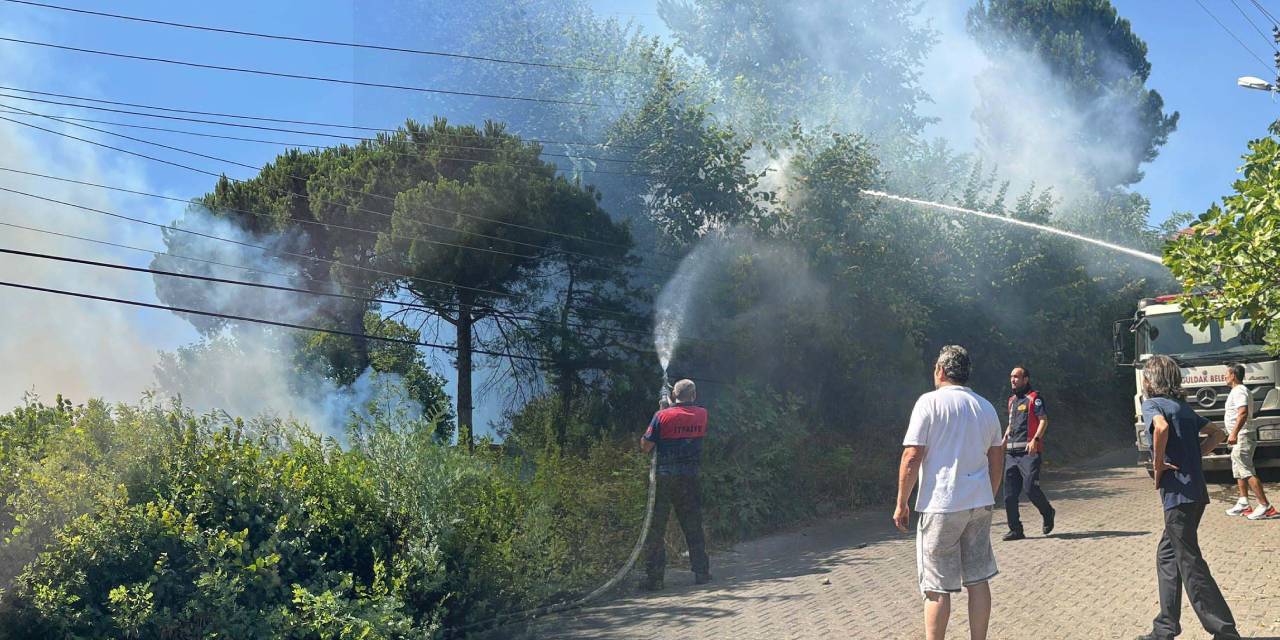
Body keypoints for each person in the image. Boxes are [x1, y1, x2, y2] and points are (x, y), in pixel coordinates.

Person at [894, 345, 1004, 640]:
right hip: (979, 503)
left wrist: (902, 503)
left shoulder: (928, 403)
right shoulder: (986, 407)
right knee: (978, 579)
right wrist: (989, 494)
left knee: (936, 586)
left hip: (941, 504)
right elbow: (997, 457)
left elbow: (912, 455)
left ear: (940, 370)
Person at [1135, 355, 1241, 640]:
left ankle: (1225, 631)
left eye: (1146, 376)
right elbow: (1217, 434)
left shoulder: (1152, 404)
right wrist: (1194, 455)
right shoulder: (1183, 407)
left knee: (1190, 562)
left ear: (1152, 380)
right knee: (1168, 555)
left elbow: (1160, 428)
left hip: (1178, 495)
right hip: (1195, 494)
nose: (1144, 382)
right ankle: (1165, 627)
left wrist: (1158, 464)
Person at [639, 379, 711, 590]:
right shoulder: (702, 414)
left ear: (673, 396)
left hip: (665, 479)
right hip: (690, 478)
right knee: (693, 525)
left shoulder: (662, 416)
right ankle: (701, 572)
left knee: (656, 528)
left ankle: (655, 579)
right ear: (694, 395)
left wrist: (663, 410)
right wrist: (669, 408)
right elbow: (683, 417)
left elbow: (646, 446)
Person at [1001, 366, 1056, 541]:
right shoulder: (1011, 401)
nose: (1013, 380)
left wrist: (1035, 440)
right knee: (1009, 495)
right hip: (1011, 454)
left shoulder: (1034, 398)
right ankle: (1016, 530)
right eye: (1011, 376)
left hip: (1028, 453)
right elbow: (1012, 423)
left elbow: (1043, 420)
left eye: (1016, 377)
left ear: (1025, 379)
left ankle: (1048, 512)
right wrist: (1005, 437)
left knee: (1030, 488)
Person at [1222, 362, 1276, 519]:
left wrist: (1234, 433)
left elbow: (1243, 413)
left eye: (1227, 374)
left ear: (1233, 375)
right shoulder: (1237, 391)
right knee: (1239, 469)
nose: (1224, 376)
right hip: (1239, 436)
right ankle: (1243, 502)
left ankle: (1266, 506)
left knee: (1246, 470)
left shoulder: (1239, 391)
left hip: (1242, 435)